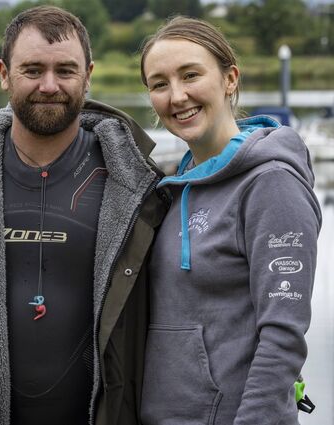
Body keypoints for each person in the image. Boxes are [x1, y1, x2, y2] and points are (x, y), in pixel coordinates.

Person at [0, 5, 169, 425]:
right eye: (33, 69)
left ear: (89, 74)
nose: (49, 85)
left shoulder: (136, 183)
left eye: (66, 70)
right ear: (4, 73)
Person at [138, 16, 321, 425]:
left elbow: (283, 337)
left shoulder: (271, 183)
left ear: (230, 79)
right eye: (159, 83)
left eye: (190, 75)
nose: (177, 96)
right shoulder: (174, 188)